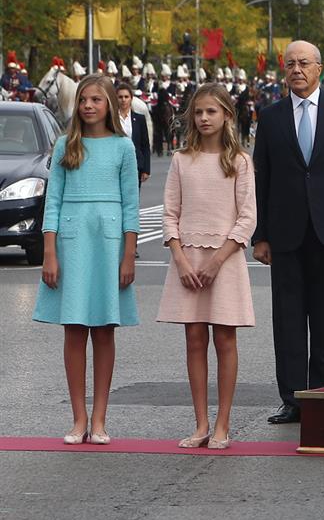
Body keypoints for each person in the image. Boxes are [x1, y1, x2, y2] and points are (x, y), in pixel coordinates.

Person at [252, 41, 324, 425]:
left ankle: (323, 397)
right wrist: (261, 235)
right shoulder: (270, 117)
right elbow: (261, 179)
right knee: (287, 321)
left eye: (304, 63)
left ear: (320, 68)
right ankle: (292, 399)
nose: (296, 70)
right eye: (289, 64)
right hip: (284, 234)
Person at [33, 74, 139, 445]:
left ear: (110, 103)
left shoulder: (123, 148)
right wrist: (50, 251)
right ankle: (78, 418)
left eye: (96, 99)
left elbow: (131, 205)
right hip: (72, 242)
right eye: (83, 100)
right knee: (74, 329)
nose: (89, 106)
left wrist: (129, 255)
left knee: (105, 330)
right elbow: (53, 202)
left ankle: (100, 418)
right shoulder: (65, 145)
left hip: (109, 244)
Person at [157, 83, 257, 450]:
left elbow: (247, 218)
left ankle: (222, 424)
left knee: (224, 339)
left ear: (227, 115)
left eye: (211, 111)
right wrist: (181, 259)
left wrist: (216, 260)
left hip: (225, 260)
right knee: (194, 339)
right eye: (198, 112)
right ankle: (200, 423)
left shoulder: (240, 162)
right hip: (188, 261)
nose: (203, 118)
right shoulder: (181, 160)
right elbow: (170, 214)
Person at [114, 82, 151, 187]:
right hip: (116, 164)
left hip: (135, 164)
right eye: (120, 97)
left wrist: (146, 169)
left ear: (131, 98)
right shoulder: (111, 119)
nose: (123, 100)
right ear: (116, 98)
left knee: (133, 199)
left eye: (126, 96)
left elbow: (145, 145)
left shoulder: (139, 119)